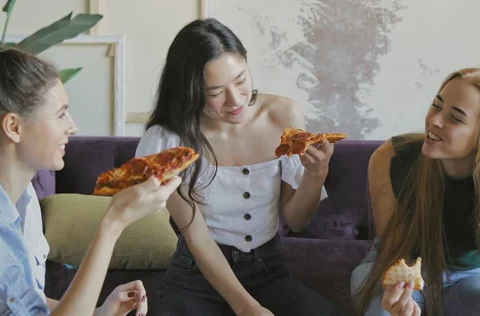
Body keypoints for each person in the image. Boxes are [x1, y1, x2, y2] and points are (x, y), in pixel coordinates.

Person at [0, 28, 181, 316]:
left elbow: (27, 303)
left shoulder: (22, 192)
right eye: (61, 114)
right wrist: (113, 223)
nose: (72, 127)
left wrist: (98, 311)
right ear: (13, 127)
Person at [135, 18, 340, 316]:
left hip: (269, 271)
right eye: (216, 92)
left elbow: (296, 220)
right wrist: (247, 308)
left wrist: (315, 175)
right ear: (189, 91)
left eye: (241, 80)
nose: (235, 100)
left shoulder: (282, 115)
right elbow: (197, 237)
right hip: (196, 277)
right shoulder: (168, 141)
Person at [350, 67, 480, 315]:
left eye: (455, 117)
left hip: (470, 277)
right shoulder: (392, 158)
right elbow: (395, 255)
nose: (434, 120)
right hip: (404, 264)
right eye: (436, 105)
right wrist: (398, 299)